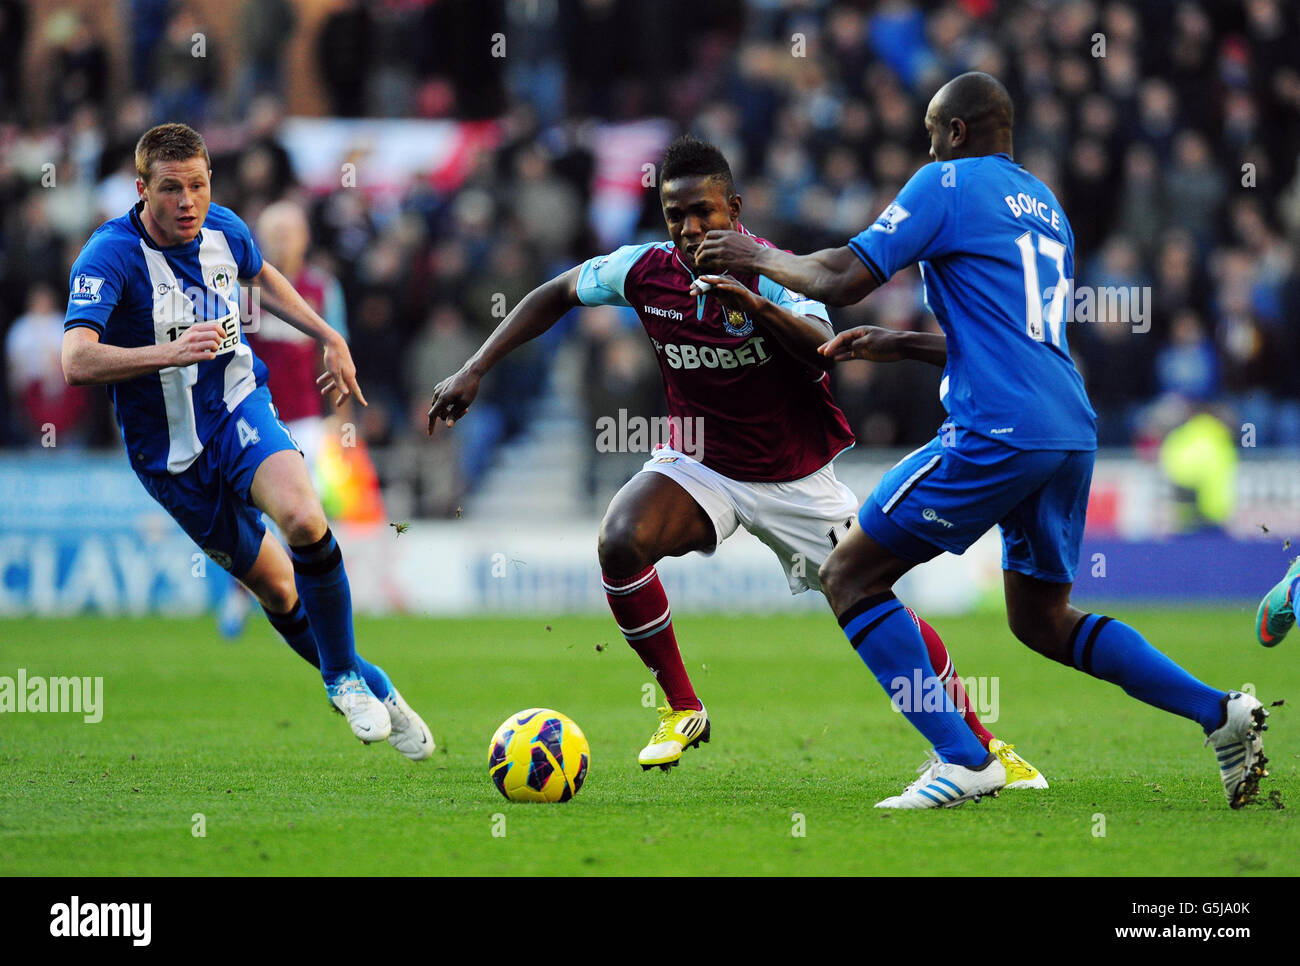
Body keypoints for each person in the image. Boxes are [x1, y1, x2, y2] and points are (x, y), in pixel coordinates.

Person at [694, 72, 1270, 809]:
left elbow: (840, 277)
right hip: (1066, 427)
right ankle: (1218, 712)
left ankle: (964, 758)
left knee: (850, 576)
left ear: (956, 132)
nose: (927, 144)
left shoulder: (948, 183)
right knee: (1042, 620)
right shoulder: (1046, 207)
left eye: (933, 130)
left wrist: (757, 257)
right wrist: (903, 344)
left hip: (996, 429)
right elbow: (1019, 335)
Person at [429, 135, 1045, 788]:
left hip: (795, 479)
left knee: (870, 602)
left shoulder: (778, 270)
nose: (691, 228)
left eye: (704, 212)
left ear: (735, 209)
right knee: (620, 541)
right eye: (676, 216)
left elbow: (824, 351)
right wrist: (474, 368)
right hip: (699, 462)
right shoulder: (644, 271)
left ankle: (982, 745)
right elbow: (557, 292)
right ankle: (682, 706)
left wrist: (754, 306)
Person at [61, 122, 433, 760]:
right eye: (172, 189)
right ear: (141, 188)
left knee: (304, 518)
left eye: (199, 186)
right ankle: (376, 686)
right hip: (171, 457)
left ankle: (341, 679)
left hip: (237, 407)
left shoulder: (224, 229)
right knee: (278, 590)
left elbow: (262, 275)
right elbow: (75, 359)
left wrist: (328, 335)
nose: (188, 202)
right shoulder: (108, 256)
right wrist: (166, 353)